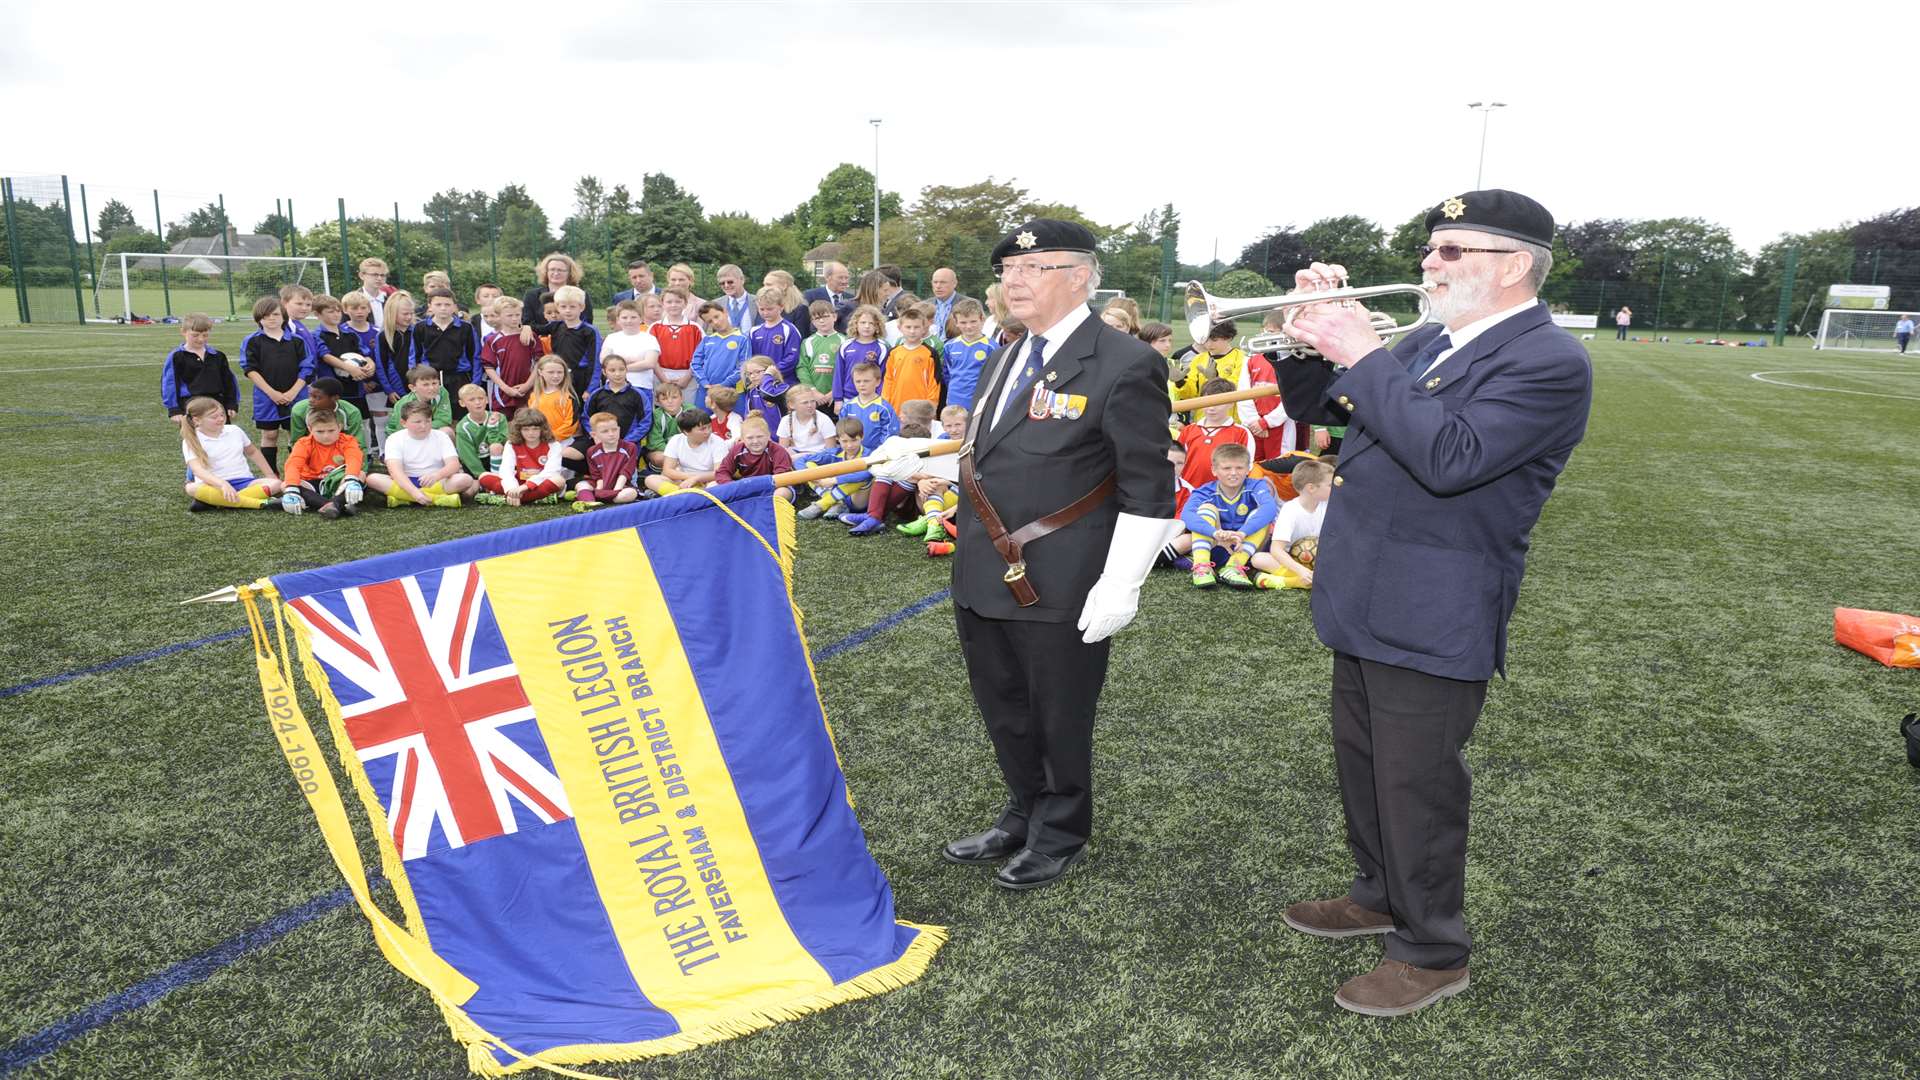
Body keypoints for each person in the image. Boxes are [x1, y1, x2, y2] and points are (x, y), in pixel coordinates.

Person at [1270, 189, 1592, 1016]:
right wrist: (1313, 334)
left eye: (1453, 252)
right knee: (1367, 764)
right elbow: (1322, 412)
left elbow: (1452, 457)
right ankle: (1378, 894)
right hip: (1366, 590)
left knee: (1418, 785)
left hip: (1435, 603)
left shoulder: (1547, 359)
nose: (1429, 263)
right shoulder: (1429, 339)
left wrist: (1362, 352)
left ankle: (1433, 948)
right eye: (1431, 249)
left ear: (1513, 266)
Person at [943, 218, 1178, 891]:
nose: (1012, 281)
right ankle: (1022, 810)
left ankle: (1063, 828)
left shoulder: (1125, 362)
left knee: (1058, 712)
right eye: (1007, 270)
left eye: (1033, 268)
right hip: (985, 567)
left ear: (1080, 276)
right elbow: (995, 452)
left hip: (1063, 574)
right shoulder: (1005, 353)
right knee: (1005, 707)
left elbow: (1148, 484)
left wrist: (1124, 581)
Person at [1174, 441, 1276, 588]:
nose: (1233, 473)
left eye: (1239, 468)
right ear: (1214, 470)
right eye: (1227, 468)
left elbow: (1270, 508)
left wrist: (1242, 533)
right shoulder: (1204, 491)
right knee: (1206, 509)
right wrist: (1215, 533)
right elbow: (1187, 515)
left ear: (1248, 469)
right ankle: (1202, 566)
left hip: (1246, 548)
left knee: (1261, 514)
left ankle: (1234, 567)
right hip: (1217, 545)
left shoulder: (1256, 485)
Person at [240, 295, 315, 472]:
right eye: (265, 316)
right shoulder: (252, 341)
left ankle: (299, 472)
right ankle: (271, 474)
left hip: (296, 396)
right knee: (270, 434)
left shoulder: (297, 340)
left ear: (283, 316)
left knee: (296, 434)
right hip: (266, 398)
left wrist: (293, 392)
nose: (271, 319)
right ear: (258, 319)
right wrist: (271, 392)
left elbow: (307, 368)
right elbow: (250, 369)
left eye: (275, 314)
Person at [179, 395, 284, 511]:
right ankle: (261, 503)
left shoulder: (234, 430)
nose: (220, 419)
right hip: (213, 485)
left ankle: (215, 502)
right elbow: (198, 470)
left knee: (277, 484)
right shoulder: (191, 440)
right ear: (197, 420)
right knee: (191, 488)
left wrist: (270, 474)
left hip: (244, 481)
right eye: (214, 417)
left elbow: (253, 452)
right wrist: (222, 484)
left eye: (222, 414)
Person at [368, 399, 471, 507]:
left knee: (465, 480)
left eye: (428, 421)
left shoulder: (441, 436)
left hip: (436, 481)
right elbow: (395, 471)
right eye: (417, 422)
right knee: (372, 479)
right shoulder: (394, 439)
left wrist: (436, 475)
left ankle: (403, 498)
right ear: (403, 423)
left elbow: (453, 465)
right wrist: (414, 493)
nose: (424, 426)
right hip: (405, 481)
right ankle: (437, 499)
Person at [1250, 457, 1334, 589]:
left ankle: (1283, 580)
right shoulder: (1290, 509)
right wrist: (1301, 570)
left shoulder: (1329, 505)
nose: (1334, 488)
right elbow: (1276, 550)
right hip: (1291, 561)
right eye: (1330, 485)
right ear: (1311, 488)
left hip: (1321, 560)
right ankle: (1298, 581)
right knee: (1258, 559)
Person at [279, 408, 367, 519]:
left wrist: (351, 478)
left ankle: (332, 504)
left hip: (337, 482)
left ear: (339, 427)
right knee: (285, 485)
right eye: (320, 432)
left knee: (360, 474)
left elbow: (354, 459)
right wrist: (291, 488)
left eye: (331, 430)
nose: (326, 436)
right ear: (310, 429)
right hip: (311, 483)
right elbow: (293, 465)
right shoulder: (303, 443)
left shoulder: (348, 440)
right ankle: (334, 505)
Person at [477, 408, 569, 506]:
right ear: (519, 430)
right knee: (484, 476)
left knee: (559, 480)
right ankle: (532, 499)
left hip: (539, 483)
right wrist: (512, 489)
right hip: (518, 483)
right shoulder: (511, 444)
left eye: (535, 429)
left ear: (543, 429)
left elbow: (551, 471)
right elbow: (506, 470)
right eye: (526, 429)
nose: (531, 433)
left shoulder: (553, 445)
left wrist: (525, 487)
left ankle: (509, 499)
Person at [1177, 378, 1252, 495]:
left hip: (1224, 495)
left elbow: (1248, 468)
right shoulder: (1188, 431)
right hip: (1189, 494)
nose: (1211, 408)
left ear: (1231, 403)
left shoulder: (1241, 433)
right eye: (1207, 402)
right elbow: (1176, 463)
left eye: (1218, 403)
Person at [162, 313, 238, 426]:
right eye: (195, 335)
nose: (201, 339)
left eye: (205, 335)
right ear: (183, 332)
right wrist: (174, 409)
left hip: (217, 404)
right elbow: (170, 384)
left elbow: (229, 382)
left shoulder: (218, 356)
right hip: (191, 405)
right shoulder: (176, 356)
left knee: (221, 439)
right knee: (196, 441)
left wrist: (232, 403)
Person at [795, 417, 871, 521]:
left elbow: (868, 474)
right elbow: (801, 460)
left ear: (862, 437)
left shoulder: (869, 454)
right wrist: (811, 476)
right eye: (844, 441)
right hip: (837, 494)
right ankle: (837, 503)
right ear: (837, 439)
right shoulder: (834, 453)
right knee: (809, 465)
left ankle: (822, 504)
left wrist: (834, 480)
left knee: (865, 475)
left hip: (857, 501)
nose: (849, 445)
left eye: (854, 440)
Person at [645, 407, 732, 494]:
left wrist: (696, 478)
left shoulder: (717, 442)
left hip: (708, 481)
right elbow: (667, 470)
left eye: (709, 427)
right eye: (703, 429)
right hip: (683, 480)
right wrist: (690, 478)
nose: (708, 431)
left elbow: (719, 472)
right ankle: (682, 494)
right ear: (686, 432)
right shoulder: (676, 440)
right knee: (650, 479)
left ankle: (681, 496)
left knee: (715, 485)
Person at [412, 288, 479, 397]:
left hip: (459, 378)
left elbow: (475, 356)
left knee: (459, 411)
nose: (443, 308)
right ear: (430, 306)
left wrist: (475, 383)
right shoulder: (420, 327)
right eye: (438, 304)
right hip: (430, 379)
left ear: (454, 306)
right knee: (433, 412)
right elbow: (414, 356)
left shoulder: (466, 328)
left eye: (447, 304)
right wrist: (415, 380)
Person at [481, 295, 542, 412]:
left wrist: (527, 385)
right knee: (504, 426)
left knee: (528, 423)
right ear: (498, 316)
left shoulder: (530, 336)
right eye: (510, 315)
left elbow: (539, 362)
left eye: (517, 315)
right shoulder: (492, 340)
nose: (514, 319)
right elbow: (489, 367)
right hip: (502, 394)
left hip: (529, 391)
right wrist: (506, 388)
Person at [881, 304, 942, 413]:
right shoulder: (894, 353)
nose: (912, 331)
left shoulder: (930, 353)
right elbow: (888, 380)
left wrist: (931, 405)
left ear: (924, 328)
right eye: (908, 327)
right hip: (896, 407)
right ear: (900, 328)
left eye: (916, 327)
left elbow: (935, 382)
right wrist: (886, 403)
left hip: (921, 408)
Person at [690, 301, 749, 412]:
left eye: (717, 316)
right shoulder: (707, 340)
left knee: (733, 425)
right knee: (701, 422)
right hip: (706, 391)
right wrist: (704, 383)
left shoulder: (742, 339)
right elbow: (695, 364)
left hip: (731, 391)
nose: (715, 322)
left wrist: (724, 384)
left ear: (725, 312)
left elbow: (744, 366)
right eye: (710, 321)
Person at [716, 413, 796, 495]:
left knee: (782, 492)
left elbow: (782, 477)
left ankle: (770, 505)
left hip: (773, 486)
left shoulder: (778, 451)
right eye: (750, 438)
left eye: (760, 436)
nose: (755, 441)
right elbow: (722, 472)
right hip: (746, 487)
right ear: (742, 438)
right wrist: (732, 487)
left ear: (768, 435)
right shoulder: (737, 450)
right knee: (713, 485)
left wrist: (760, 487)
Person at [546, 285, 604, 397]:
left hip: (582, 379)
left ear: (581, 307)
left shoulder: (589, 331)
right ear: (557, 307)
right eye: (563, 306)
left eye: (572, 307)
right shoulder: (555, 327)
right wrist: (525, 327)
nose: (568, 310)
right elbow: (534, 328)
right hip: (559, 378)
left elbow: (595, 361)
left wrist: (590, 389)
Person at [574, 411, 641, 508]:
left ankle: (598, 498)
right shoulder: (591, 451)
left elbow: (625, 473)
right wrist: (599, 489)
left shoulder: (630, 447)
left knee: (630, 494)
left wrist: (615, 490)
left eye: (614, 430)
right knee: (581, 485)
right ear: (594, 434)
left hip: (623, 485)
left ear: (619, 429)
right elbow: (597, 476)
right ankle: (590, 502)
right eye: (605, 431)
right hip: (602, 485)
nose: (611, 434)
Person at [289, 377, 369, 454]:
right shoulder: (299, 410)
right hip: (312, 453)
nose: (310, 400)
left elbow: (358, 445)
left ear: (335, 398)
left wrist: (357, 467)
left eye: (317, 397)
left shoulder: (351, 412)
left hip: (341, 453)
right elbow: (297, 442)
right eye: (310, 395)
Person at [521, 252, 594, 334]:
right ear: (546, 272)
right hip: (540, 343)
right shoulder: (532, 295)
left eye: (560, 270)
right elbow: (527, 323)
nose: (556, 273)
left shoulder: (581, 295)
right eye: (552, 269)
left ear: (569, 273)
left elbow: (587, 322)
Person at [834, 306, 888, 411]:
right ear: (855, 325)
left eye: (871, 323)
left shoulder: (882, 348)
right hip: (848, 397)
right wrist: (838, 399)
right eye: (863, 323)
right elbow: (838, 374)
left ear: (877, 326)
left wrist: (879, 397)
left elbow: (883, 377)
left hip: (872, 398)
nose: (867, 326)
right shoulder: (846, 346)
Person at [650, 287, 703, 395]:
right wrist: (663, 378)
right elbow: (651, 356)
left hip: (688, 377)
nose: (673, 305)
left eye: (678, 301)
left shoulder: (695, 328)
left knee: (689, 409)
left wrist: (687, 377)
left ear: (685, 303)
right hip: (660, 375)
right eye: (669, 302)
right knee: (664, 408)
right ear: (662, 304)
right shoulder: (655, 327)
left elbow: (701, 355)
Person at [453, 382, 509, 478]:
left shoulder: (499, 417)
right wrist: (482, 475)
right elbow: (468, 456)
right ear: (462, 403)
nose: (477, 402)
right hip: (476, 463)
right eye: (472, 400)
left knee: (496, 447)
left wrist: (492, 427)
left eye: (481, 398)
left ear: (487, 400)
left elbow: (503, 443)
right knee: (471, 490)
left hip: (498, 458)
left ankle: (500, 479)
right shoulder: (462, 427)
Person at [748, 287, 802, 383]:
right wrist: (757, 374)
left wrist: (769, 373)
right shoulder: (754, 331)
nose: (765, 312)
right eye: (762, 309)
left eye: (770, 309)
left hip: (783, 382)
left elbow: (792, 358)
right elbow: (752, 358)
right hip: (759, 382)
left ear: (781, 307)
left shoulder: (789, 329)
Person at [840, 362, 897, 452]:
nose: (861, 384)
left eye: (866, 381)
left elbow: (889, 435)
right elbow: (842, 432)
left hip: (876, 455)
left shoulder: (884, 408)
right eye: (858, 381)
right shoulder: (847, 406)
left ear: (878, 382)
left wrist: (879, 452)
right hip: (853, 454)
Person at [798, 300, 844, 406]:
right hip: (813, 396)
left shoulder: (844, 341)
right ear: (812, 322)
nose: (822, 321)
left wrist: (835, 392)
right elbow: (802, 368)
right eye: (817, 318)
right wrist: (813, 391)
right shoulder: (807, 342)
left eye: (826, 316)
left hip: (836, 396)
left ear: (834, 317)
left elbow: (847, 370)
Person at [384, 364, 453, 435]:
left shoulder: (441, 392)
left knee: (447, 431)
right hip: (402, 436)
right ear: (412, 388)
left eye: (434, 383)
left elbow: (444, 420)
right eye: (426, 385)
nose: (432, 388)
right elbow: (402, 430)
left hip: (425, 430)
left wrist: (424, 428)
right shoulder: (405, 404)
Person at [639, 380, 684, 479]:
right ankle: (664, 477)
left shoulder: (690, 412)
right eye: (664, 398)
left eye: (674, 397)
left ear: (682, 398)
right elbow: (655, 443)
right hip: (662, 451)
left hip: (685, 451)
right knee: (661, 458)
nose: (670, 401)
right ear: (658, 402)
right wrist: (675, 454)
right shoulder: (655, 416)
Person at [778, 385, 836, 454]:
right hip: (796, 455)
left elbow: (831, 450)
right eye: (805, 402)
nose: (810, 405)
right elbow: (783, 449)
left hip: (819, 456)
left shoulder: (824, 419)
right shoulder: (785, 421)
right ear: (791, 405)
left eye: (812, 401)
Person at [802, 261, 855, 332]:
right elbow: (805, 324)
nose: (844, 282)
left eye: (846, 278)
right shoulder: (811, 296)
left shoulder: (852, 299)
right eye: (840, 278)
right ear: (827, 278)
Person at [927, 267, 973, 342]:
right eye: (935, 282)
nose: (938, 286)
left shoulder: (970, 304)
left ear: (954, 283)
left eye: (943, 282)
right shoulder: (925, 305)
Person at [713, 263, 754, 333]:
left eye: (730, 282)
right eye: (722, 283)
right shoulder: (715, 304)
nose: (726, 286)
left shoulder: (757, 301)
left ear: (742, 280)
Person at [357, 257, 395, 329]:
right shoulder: (352, 301)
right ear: (362, 275)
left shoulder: (391, 301)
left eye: (383, 275)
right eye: (375, 274)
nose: (379, 278)